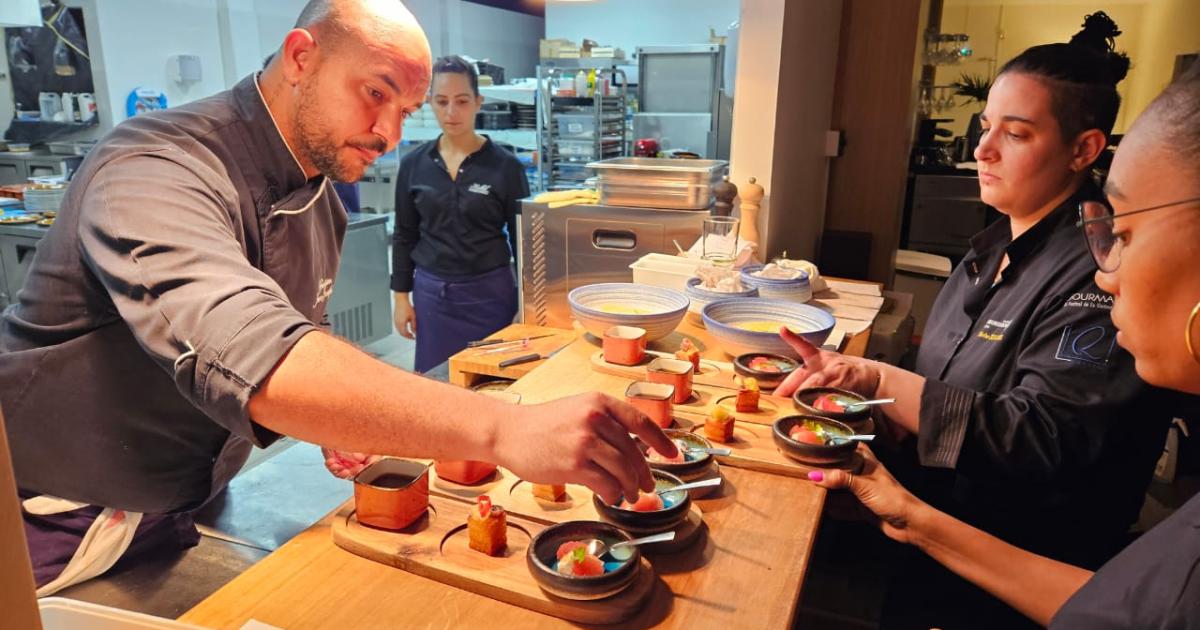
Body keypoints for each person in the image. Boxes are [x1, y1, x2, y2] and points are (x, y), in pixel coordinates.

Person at [0, 0, 673, 595]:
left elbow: (296, 336)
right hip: (60, 522)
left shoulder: (320, 195)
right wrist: (507, 429)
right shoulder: (154, 168)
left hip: (183, 506)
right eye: (375, 93)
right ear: (301, 57)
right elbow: (249, 348)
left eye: (405, 112)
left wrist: (334, 415)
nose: (387, 132)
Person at [778, 13, 1183, 628]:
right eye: (985, 127)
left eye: (1015, 134)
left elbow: (1049, 437)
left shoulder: (1093, 272)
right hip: (924, 532)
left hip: (1016, 574)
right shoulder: (985, 251)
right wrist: (856, 405)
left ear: (1084, 149)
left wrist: (878, 379)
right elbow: (935, 384)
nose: (983, 150)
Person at [391, 55, 526, 373]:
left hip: (490, 296)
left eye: (462, 101)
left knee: (493, 383)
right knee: (436, 385)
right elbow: (404, 234)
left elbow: (523, 242)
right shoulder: (414, 165)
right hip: (433, 298)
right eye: (441, 101)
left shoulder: (505, 167)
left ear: (478, 102)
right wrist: (401, 299)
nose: (451, 112)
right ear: (430, 103)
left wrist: (527, 304)